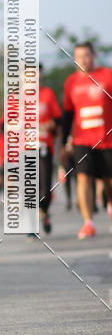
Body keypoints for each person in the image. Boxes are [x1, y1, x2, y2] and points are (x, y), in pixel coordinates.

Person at [62, 41, 112, 239]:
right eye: (79, 56)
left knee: (109, 182)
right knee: (83, 178)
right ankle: (88, 223)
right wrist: (66, 141)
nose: (83, 60)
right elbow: (68, 115)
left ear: (94, 56)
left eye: (86, 55)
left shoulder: (107, 76)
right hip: (82, 140)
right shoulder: (71, 82)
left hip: (107, 140)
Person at [37, 64, 61, 234]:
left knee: (45, 188)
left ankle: (44, 211)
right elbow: (4, 124)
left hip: (44, 147)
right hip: (24, 149)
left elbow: (58, 121)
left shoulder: (47, 94)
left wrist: (51, 125)